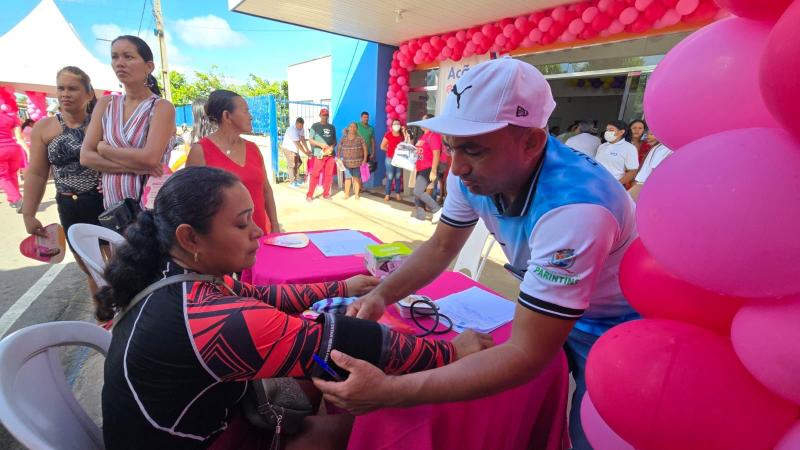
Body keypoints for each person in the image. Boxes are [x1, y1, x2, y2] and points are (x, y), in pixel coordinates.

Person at [312, 58, 639, 450]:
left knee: (594, 434)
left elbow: (526, 353)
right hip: (558, 307)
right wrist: (380, 295)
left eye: (473, 149)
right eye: (451, 145)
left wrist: (391, 391)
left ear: (532, 141)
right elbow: (441, 245)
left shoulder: (576, 210)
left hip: (616, 328)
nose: (458, 167)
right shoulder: (471, 171)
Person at [99, 166, 491, 450]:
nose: (258, 232)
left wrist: (342, 286)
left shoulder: (173, 272)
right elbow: (340, 342)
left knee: (331, 397)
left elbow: (263, 298)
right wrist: (452, 352)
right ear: (190, 237)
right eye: (241, 225)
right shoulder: (209, 319)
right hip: (203, 439)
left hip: (191, 425)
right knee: (371, 428)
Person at [21, 66, 104, 297]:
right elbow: (36, 173)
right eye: (61, 88)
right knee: (90, 269)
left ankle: (123, 318)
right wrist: (29, 213)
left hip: (104, 202)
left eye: (73, 88)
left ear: (88, 94)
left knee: (117, 268)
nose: (65, 94)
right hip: (70, 206)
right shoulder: (44, 128)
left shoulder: (102, 123)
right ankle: (103, 318)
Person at [81, 35, 175, 210]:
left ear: (149, 66)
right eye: (115, 57)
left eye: (128, 56)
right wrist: (136, 168)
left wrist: (104, 149)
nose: (119, 62)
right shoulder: (106, 104)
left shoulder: (161, 107)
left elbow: (150, 158)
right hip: (114, 206)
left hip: (149, 205)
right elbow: (85, 156)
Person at [186, 89, 278, 234]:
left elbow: (266, 191)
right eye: (246, 111)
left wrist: (275, 226)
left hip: (259, 235)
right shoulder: (200, 151)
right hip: (223, 241)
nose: (251, 117)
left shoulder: (253, 149)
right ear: (227, 116)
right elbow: (191, 202)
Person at [412, 114, 442, 221]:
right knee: (417, 195)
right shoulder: (423, 136)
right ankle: (420, 217)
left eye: (423, 120)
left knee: (418, 191)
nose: (421, 122)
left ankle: (437, 209)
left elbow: (436, 154)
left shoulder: (433, 136)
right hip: (419, 168)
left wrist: (433, 171)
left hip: (428, 168)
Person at [629, 130, 673, 202]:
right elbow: (655, 171)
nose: (649, 136)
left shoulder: (662, 146)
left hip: (644, 184)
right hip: (646, 185)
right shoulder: (665, 147)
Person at [595, 120, 639, 186]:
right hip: (596, 183)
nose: (607, 132)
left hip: (612, 187)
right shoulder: (602, 146)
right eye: (607, 130)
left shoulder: (629, 148)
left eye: (611, 130)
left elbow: (632, 171)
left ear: (621, 132)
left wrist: (616, 185)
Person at [306, 109, 337, 201]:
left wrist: (332, 147)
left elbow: (335, 141)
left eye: (326, 115)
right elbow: (310, 140)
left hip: (330, 155)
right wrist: (321, 145)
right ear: (320, 115)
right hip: (319, 154)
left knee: (329, 175)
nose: (325, 117)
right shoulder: (315, 126)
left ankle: (326, 194)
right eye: (323, 115)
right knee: (315, 174)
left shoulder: (332, 127)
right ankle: (309, 195)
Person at [0, 106, 24, 210]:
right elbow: (19, 137)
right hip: (13, 148)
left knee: (2, 176)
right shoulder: (10, 117)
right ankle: (13, 200)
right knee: (12, 174)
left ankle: (17, 199)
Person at [380, 119, 408, 202]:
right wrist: (390, 151)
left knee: (398, 177)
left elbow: (407, 143)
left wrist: (404, 131)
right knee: (390, 176)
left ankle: (397, 194)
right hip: (390, 159)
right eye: (395, 124)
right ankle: (387, 194)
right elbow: (382, 146)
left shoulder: (402, 135)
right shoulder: (388, 134)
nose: (397, 125)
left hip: (399, 160)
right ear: (392, 126)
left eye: (398, 124)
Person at [338, 122, 368, 200]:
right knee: (347, 179)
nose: (352, 128)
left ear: (357, 129)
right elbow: (339, 147)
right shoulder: (344, 138)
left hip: (357, 163)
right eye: (351, 127)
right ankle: (346, 194)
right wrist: (338, 158)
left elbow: (365, 149)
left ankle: (356, 195)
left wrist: (364, 160)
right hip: (346, 163)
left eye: (354, 127)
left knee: (356, 179)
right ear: (348, 128)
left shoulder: (360, 138)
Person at [281, 117, 311, 186]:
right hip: (288, 148)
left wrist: (308, 150)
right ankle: (292, 182)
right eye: (299, 126)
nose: (301, 128)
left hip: (295, 149)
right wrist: (305, 152)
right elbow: (298, 143)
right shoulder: (292, 130)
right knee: (292, 164)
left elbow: (303, 140)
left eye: (302, 126)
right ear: (296, 124)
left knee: (299, 163)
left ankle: (295, 177)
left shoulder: (302, 129)